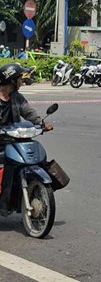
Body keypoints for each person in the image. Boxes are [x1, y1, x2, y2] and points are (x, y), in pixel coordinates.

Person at [0, 63, 53, 213]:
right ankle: (4, 203)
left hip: (14, 140)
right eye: (19, 78)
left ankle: (35, 192)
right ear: (11, 80)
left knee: (39, 158)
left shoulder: (17, 97)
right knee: (8, 167)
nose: (22, 81)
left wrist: (41, 123)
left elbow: (28, 112)